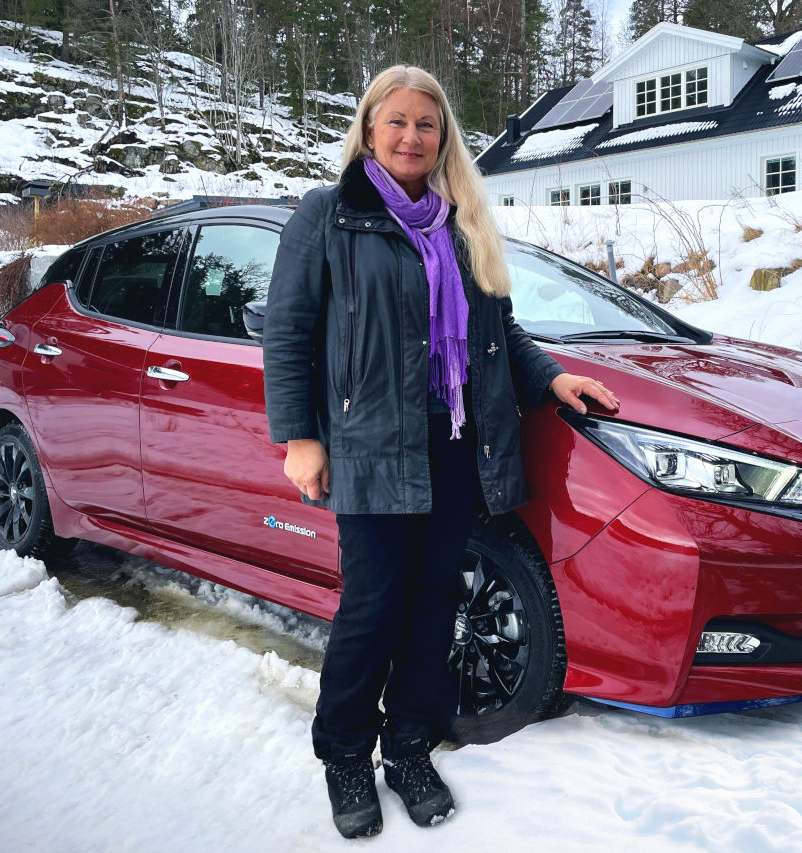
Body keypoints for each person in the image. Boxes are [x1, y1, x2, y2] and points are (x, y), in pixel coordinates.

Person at [262, 65, 620, 839]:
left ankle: (410, 744)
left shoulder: (463, 225)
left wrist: (553, 380)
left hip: (455, 444)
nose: (411, 136)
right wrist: (299, 437)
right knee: (371, 607)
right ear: (367, 129)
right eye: (396, 121)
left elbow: (500, 336)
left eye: (427, 124)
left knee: (433, 607)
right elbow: (287, 334)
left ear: (444, 137)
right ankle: (346, 754)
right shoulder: (329, 216)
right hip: (370, 446)